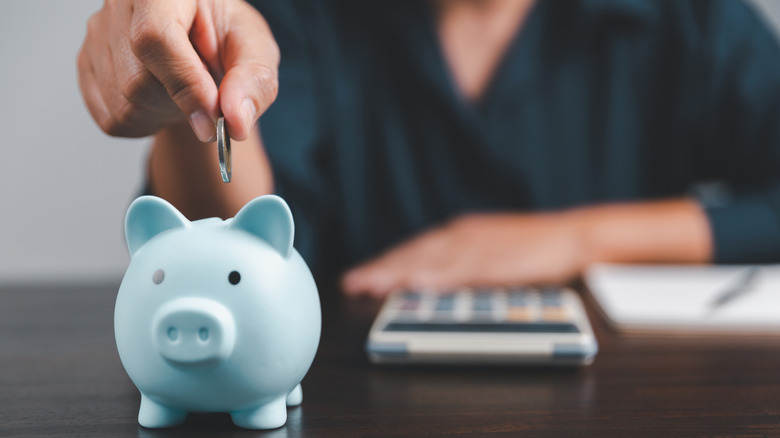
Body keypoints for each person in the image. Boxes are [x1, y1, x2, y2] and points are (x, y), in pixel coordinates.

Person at [78, 0, 780, 297]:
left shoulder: (688, 20)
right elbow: (242, 246)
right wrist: (187, 80)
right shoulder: (298, 16)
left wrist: (581, 239)